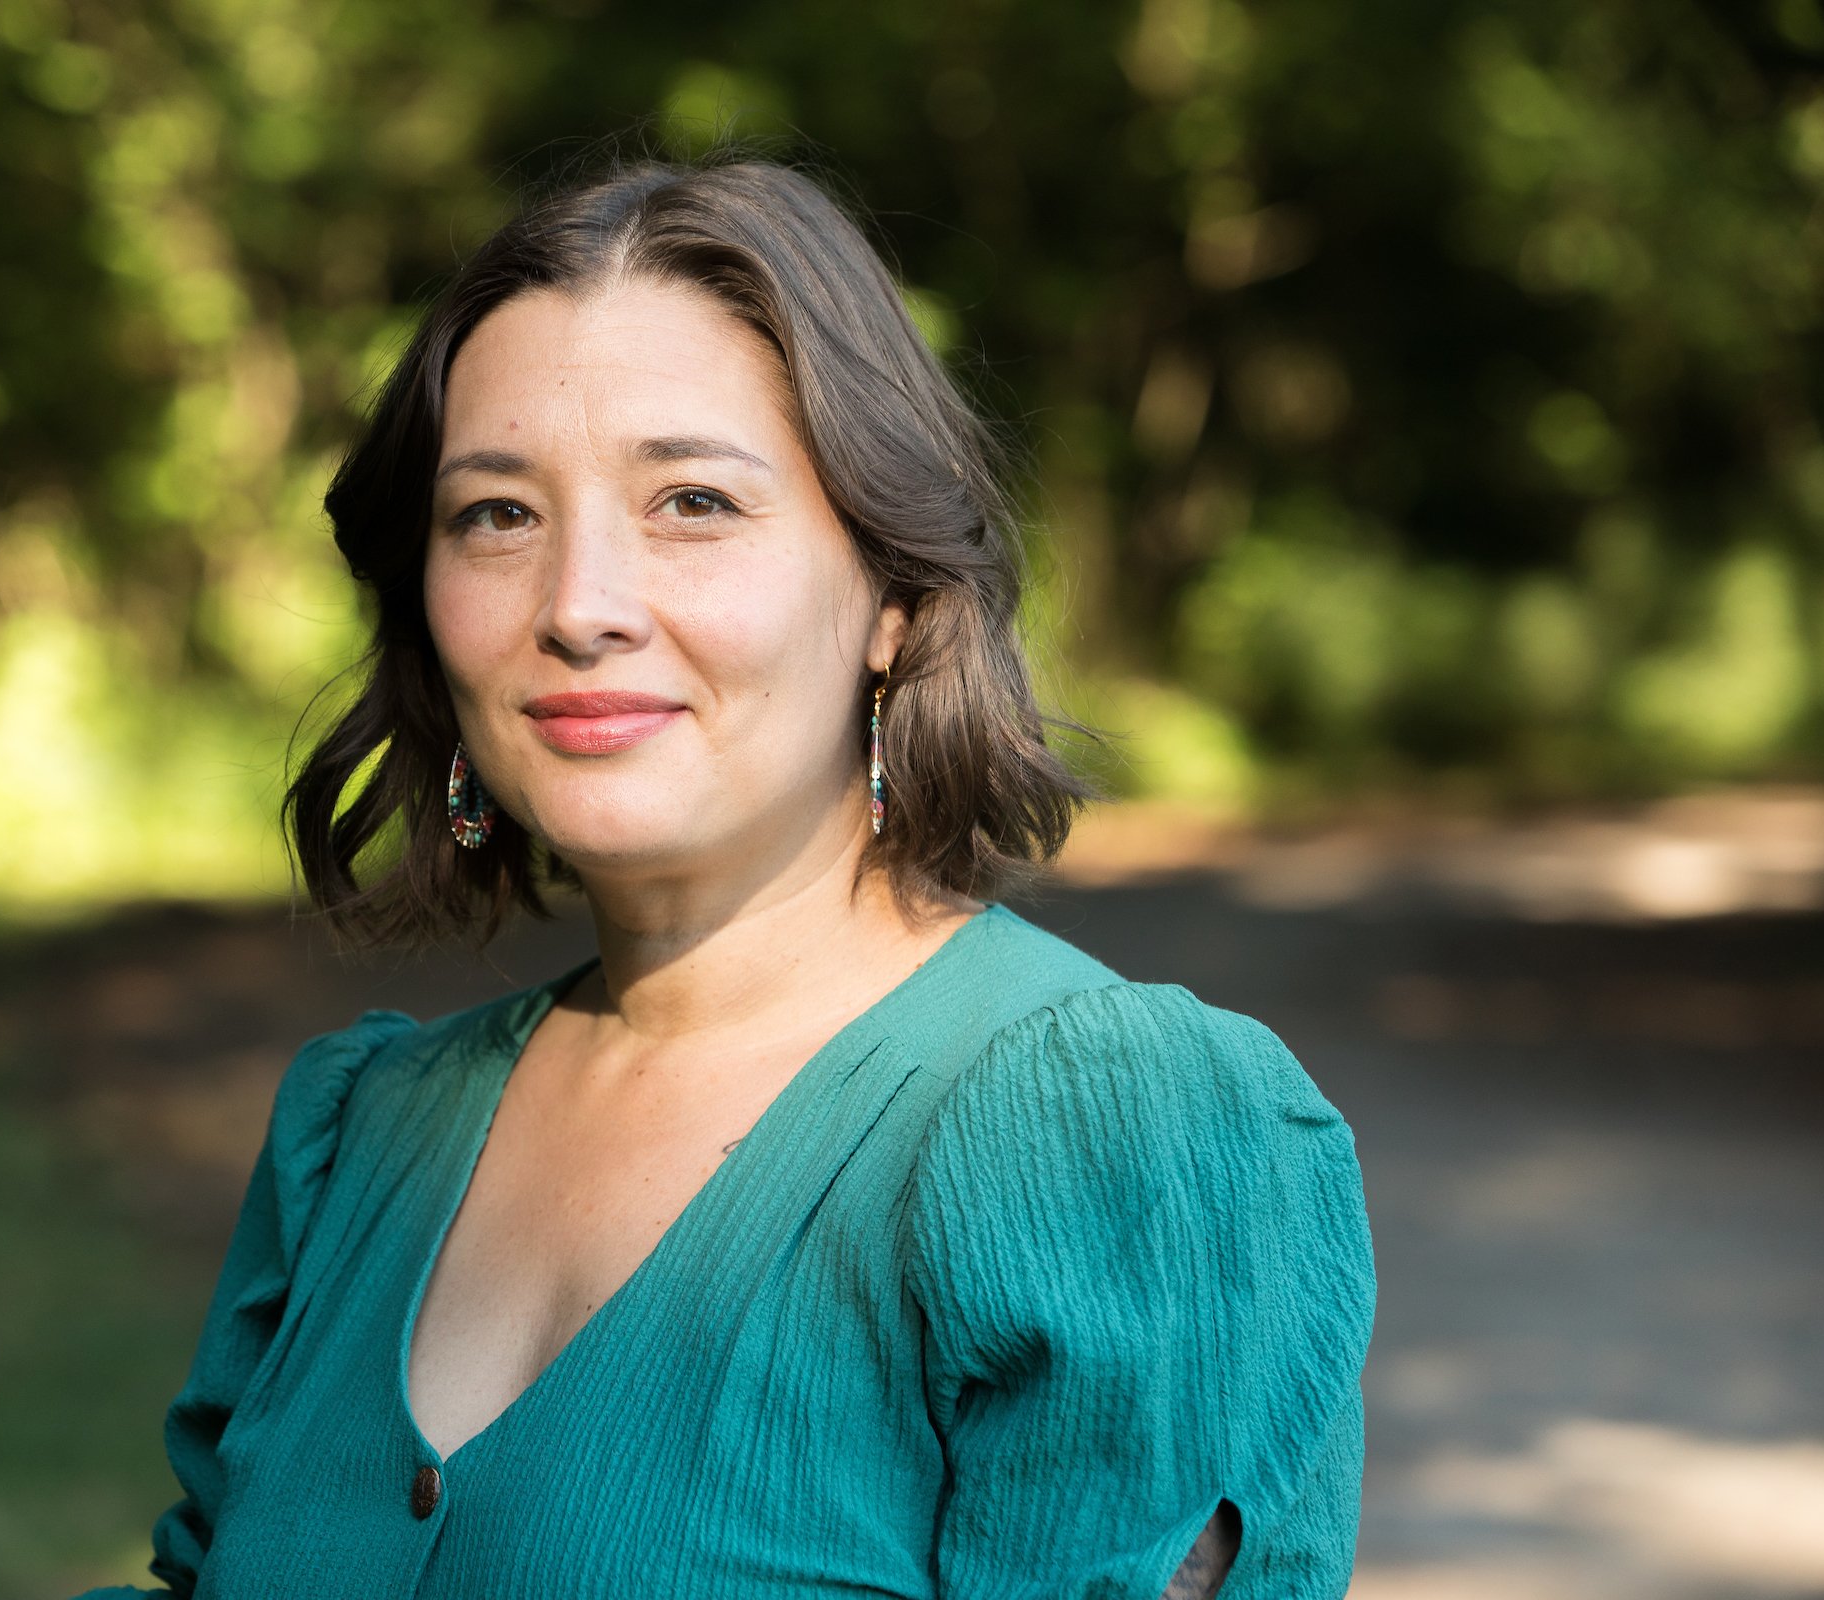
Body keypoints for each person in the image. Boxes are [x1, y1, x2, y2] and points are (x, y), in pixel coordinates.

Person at [71, 143, 1375, 1600]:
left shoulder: (1111, 1136)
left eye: (691, 500)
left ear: (891, 592)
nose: (578, 606)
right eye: (497, 514)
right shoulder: (359, 1132)